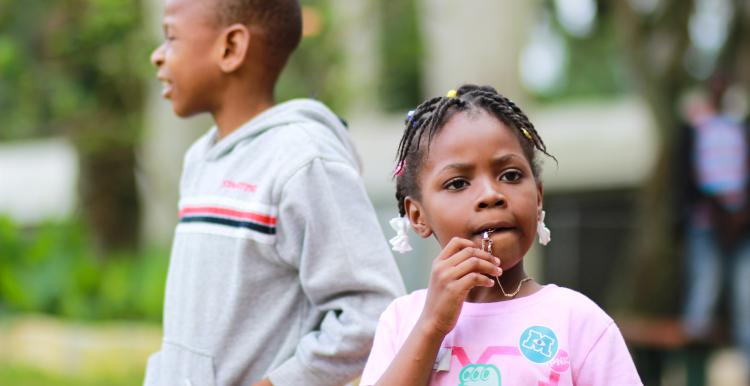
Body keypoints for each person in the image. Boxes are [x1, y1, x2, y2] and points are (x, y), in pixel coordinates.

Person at [145, 0, 405, 385]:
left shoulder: (304, 159)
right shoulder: (200, 159)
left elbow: (372, 312)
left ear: (231, 48)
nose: (157, 57)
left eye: (170, 38)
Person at [360, 85, 642, 385]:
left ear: (538, 197)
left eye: (510, 175)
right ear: (418, 216)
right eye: (457, 183)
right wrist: (432, 326)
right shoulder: (403, 320)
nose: (491, 195)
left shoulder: (579, 322)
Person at [674, 81, 750, 366]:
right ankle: (692, 371)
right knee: (703, 293)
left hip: (741, 228)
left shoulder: (738, 126)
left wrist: (738, 216)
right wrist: (720, 211)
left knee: (745, 299)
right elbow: (690, 175)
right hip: (707, 224)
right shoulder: (697, 127)